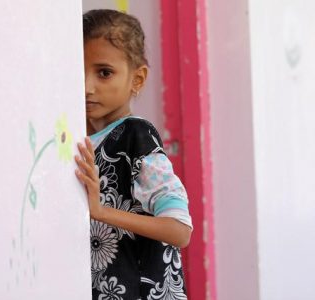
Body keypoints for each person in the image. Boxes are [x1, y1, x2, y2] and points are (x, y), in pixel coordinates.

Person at [74, 9, 193, 300]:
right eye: (78, 71)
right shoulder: (79, 139)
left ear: (137, 79)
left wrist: (101, 212)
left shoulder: (136, 136)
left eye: (104, 73)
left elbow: (179, 230)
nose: (87, 87)